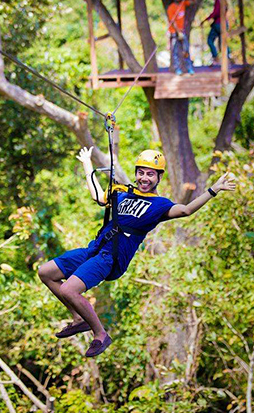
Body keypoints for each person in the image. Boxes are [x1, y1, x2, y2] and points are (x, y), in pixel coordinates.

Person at [37, 148, 237, 357]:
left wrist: (213, 190)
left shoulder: (159, 205)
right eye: (141, 172)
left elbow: (186, 210)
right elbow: (97, 196)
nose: (144, 178)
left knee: (69, 290)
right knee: (46, 272)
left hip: (110, 258)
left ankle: (100, 334)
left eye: (150, 174)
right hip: (94, 249)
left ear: (159, 177)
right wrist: (87, 163)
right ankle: (78, 319)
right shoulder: (124, 193)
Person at [166, 0, 195, 75]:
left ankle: (189, 68)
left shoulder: (183, 4)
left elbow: (193, 1)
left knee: (186, 50)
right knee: (175, 51)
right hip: (174, 32)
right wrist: (178, 32)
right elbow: (173, 22)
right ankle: (177, 69)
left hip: (182, 32)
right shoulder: (171, 8)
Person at [200, 0, 230, 65]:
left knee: (210, 40)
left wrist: (205, 20)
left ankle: (216, 57)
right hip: (224, 23)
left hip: (219, 24)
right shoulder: (224, 1)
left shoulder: (218, 0)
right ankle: (228, 57)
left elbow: (216, 13)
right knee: (223, 42)